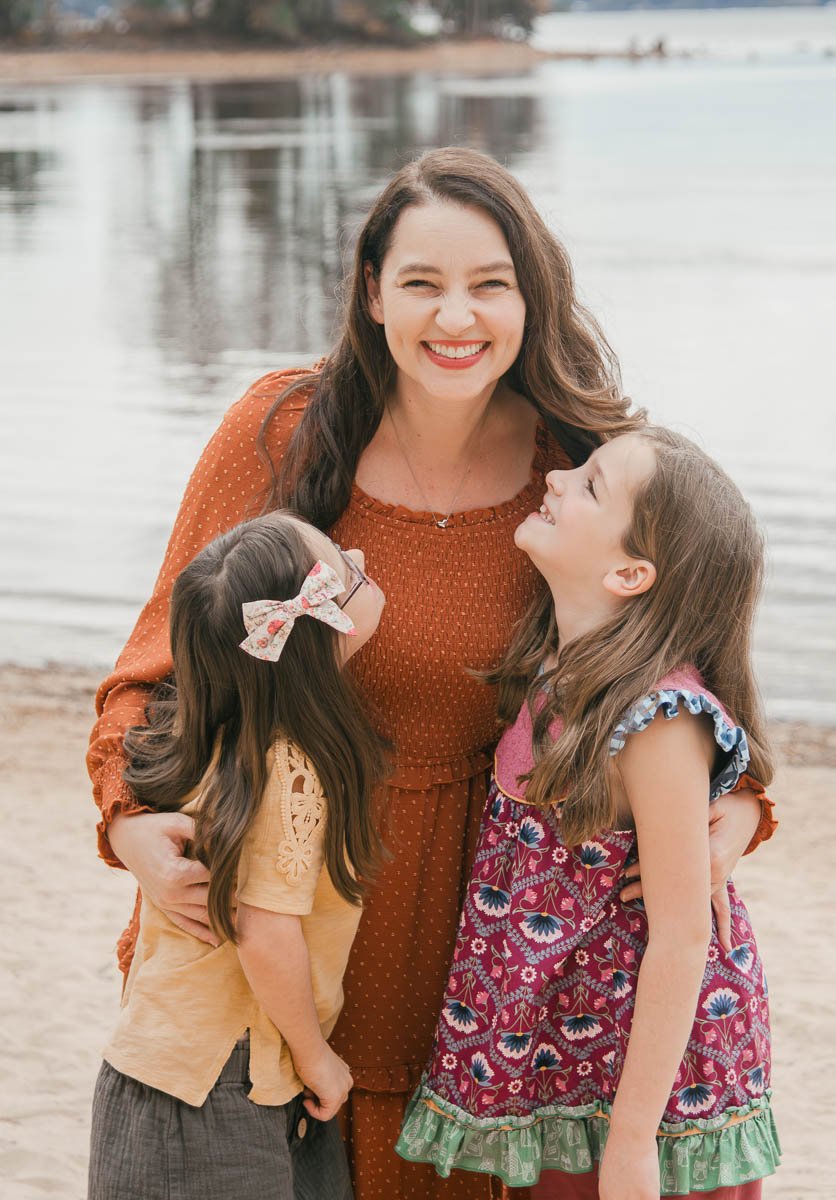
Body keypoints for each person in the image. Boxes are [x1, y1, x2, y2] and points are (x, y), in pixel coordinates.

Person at [87, 147, 776, 1200]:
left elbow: (689, 664)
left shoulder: (577, 468)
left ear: (531, 297)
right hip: (286, 941)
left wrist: (735, 811)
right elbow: (156, 676)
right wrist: (128, 825)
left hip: (495, 983)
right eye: (419, 283)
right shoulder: (280, 431)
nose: (455, 318)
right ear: (371, 294)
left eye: (488, 284)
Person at [396, 427, 781, 1200]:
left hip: (654, 1088)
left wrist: (635, 1144)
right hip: (565, 1060)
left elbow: (682, 935)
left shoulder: (658, 720)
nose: (560, 477)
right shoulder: (556, 671)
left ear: (631, 572)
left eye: (593, 485)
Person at [88, 510, 388, 1199]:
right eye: (347, 567)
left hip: (188, 1066)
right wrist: (320, 1061)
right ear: (320, 631)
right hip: (210, 1082)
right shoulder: (292, 769)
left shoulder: (218, 735)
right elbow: (263, 929)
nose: (360, 551)